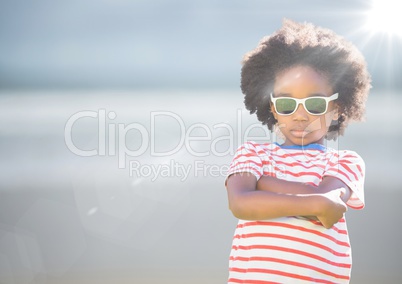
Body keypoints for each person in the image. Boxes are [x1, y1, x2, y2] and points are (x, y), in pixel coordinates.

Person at [225, 19, 371, 283]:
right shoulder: (253, 154)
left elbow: (329, 206)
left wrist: (263, 185)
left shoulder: (345, 162)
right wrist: (312, 201)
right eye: (286, 104)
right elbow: (240, 203)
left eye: (315, 104)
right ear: (272, 108)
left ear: (336, 108)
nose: (300, 116)